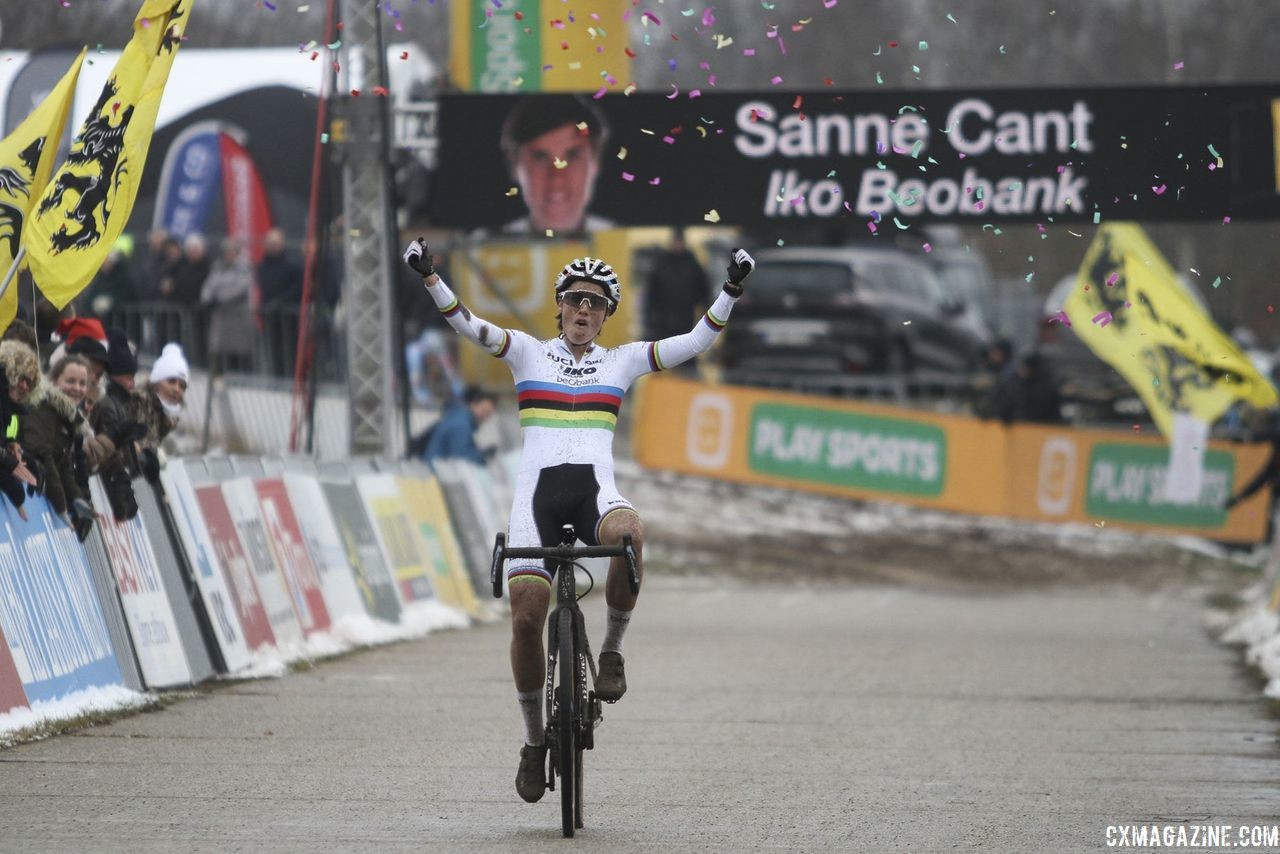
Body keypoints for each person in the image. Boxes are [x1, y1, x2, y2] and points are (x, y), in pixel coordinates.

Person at [403, 236, 755, 803]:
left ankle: (611, 649)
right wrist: (429, 276)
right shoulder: (525, 352)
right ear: (559, 306)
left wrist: (731, 290)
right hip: (536, 502)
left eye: (595, 302)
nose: (584, 310)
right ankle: (533, 743)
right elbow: (466, 322)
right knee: (524, 622)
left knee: (631, 534)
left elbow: (696, 341)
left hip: (595, 497)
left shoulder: (623, 360)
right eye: (575, 300)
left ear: (607, 314)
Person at [499, 95, 613, 235]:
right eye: (540, 157)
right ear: (515, 166)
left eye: (573, 156)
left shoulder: (627, 247)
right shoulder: (483, 250)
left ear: (596, 163)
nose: (557, 178)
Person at [644, 231, 709, 348]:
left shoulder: (692, 263)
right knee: (665, 345)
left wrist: (703, 305)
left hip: (686, 312)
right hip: (663, 313)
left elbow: (702, 286)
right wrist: (651, 311)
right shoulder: (662, 262)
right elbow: (652, 289)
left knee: (685, 343)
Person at [0, 341, 42, 520]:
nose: (25, 386)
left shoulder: (13, 409)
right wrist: (6, 463)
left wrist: (13, 447)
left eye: (30, 383)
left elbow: (8, 437)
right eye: (22, 377)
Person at [201, 238, 256, 373]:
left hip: (239, 316)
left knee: (241, 350)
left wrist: (221, 299)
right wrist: (207, 298)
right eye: (227, 252)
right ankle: (223, 378)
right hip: (221, 318)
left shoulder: (244, 268)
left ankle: (243, 379)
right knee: (221, 351)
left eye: (232, 252)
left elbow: (240, 287)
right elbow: (209, 286)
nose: (229, 255)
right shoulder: (218, 268)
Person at [420, 386, 498, 466]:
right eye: (484, 410)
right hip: (440, 471)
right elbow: (460, 458)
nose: (484, 416)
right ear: (473, 404)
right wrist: (483, 456)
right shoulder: (461, 425)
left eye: (488, 414)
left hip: (439, 466)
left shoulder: (458, 417)